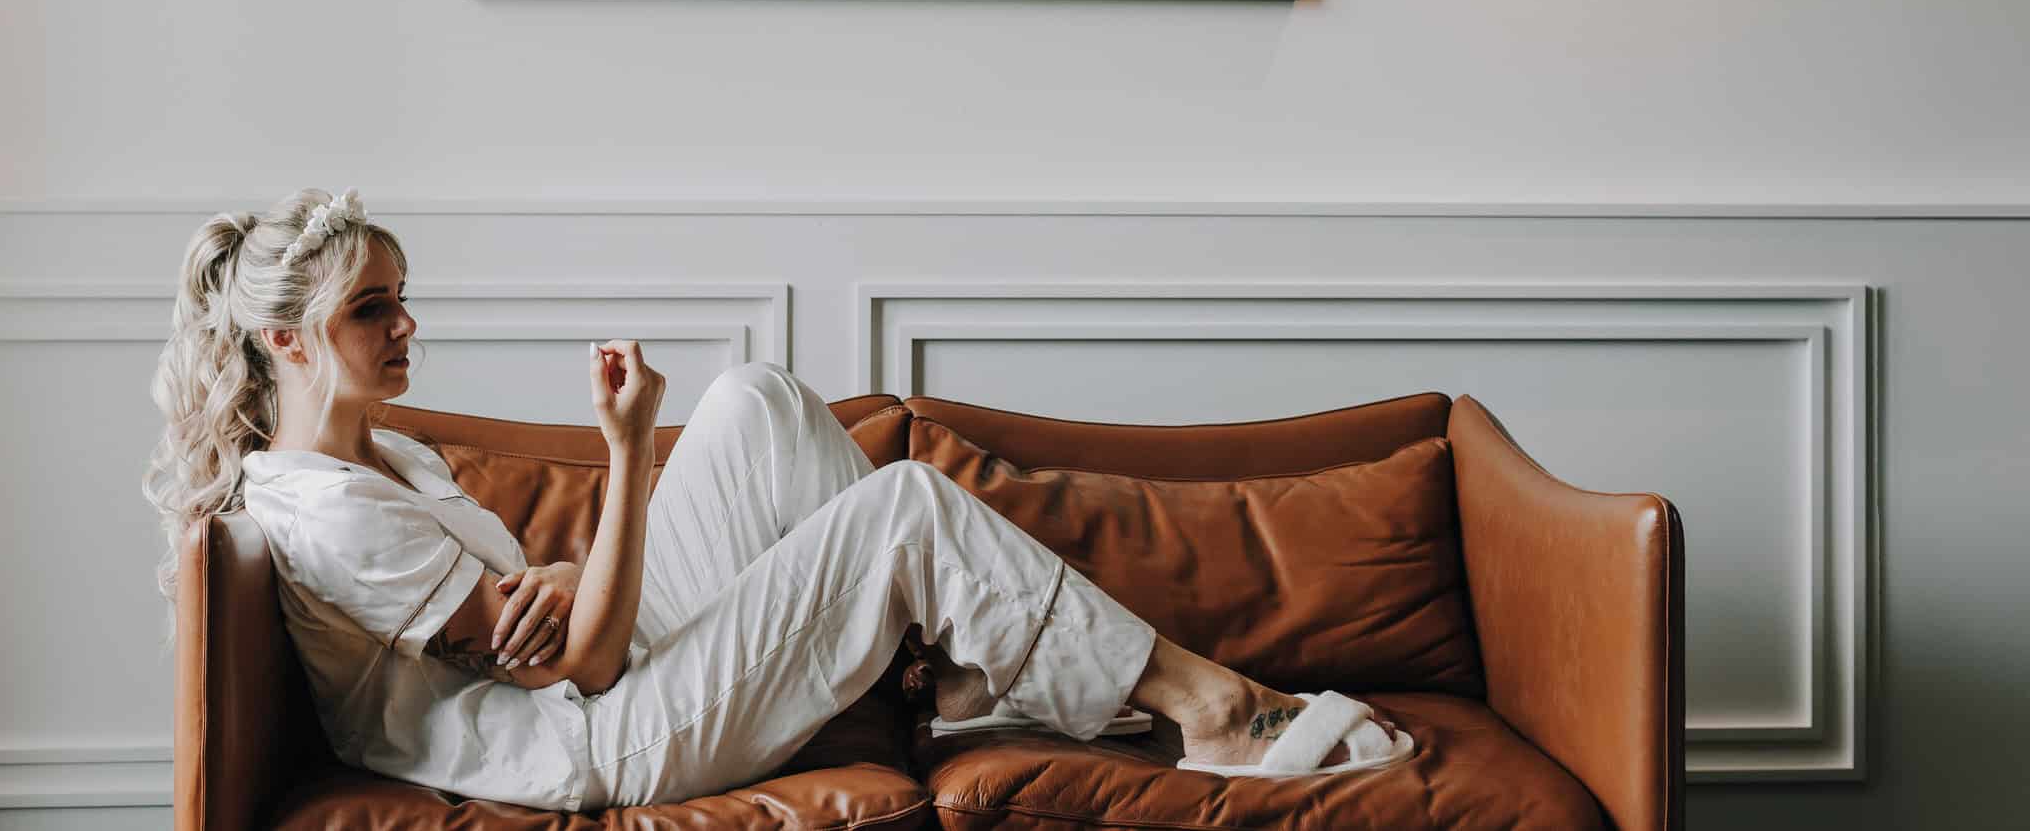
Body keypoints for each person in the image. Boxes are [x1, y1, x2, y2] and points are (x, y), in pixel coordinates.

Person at [144, 190, 1407, 812]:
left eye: (402, 297)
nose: (406, 325)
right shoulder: (325, 511)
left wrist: (570, 576)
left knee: (753, 401)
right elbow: (581, 666)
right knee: (904, 506)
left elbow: (559, 615)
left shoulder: (394, 459)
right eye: (372, 309)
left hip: (592, 682)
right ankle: (1214, 713)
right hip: (589, 743)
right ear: (286, 341)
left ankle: (941, 681)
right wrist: (625, 451)